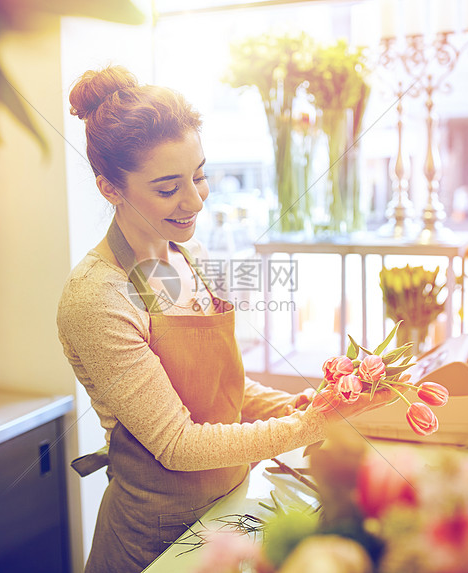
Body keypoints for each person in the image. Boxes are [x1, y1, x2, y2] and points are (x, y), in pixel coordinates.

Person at [57, 65, 392, 573]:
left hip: (226, 511)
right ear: (109, 188)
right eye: (168, 188)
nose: (195, 200)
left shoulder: (186, 256)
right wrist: (303, 426)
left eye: (199, 175)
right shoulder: (97, 298)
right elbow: (177, 444)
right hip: (155, 540)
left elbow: (214, 390)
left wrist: (296, 403)